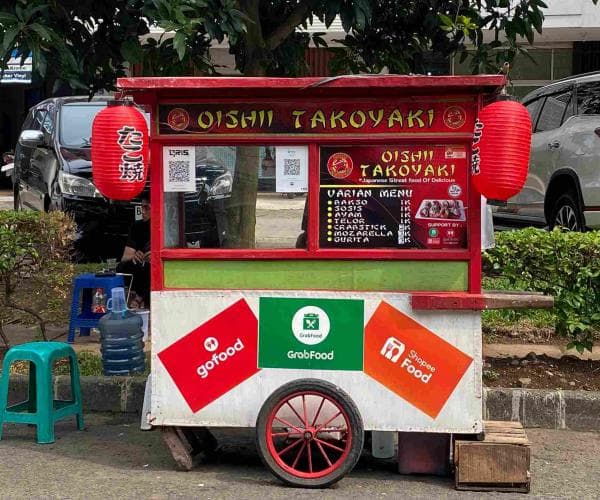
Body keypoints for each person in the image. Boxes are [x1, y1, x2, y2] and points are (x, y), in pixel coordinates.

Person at [117, 194, 151, 308]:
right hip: (140, 266)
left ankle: (140, 297)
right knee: (124, 267)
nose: (143, 211)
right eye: (142, 207)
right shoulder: (137, 227)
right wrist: (134, 256)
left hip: (155, 266)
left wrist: (156, 255)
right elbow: (125, 257)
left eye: (147, 208)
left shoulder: (167, 226)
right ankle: (142, 297)